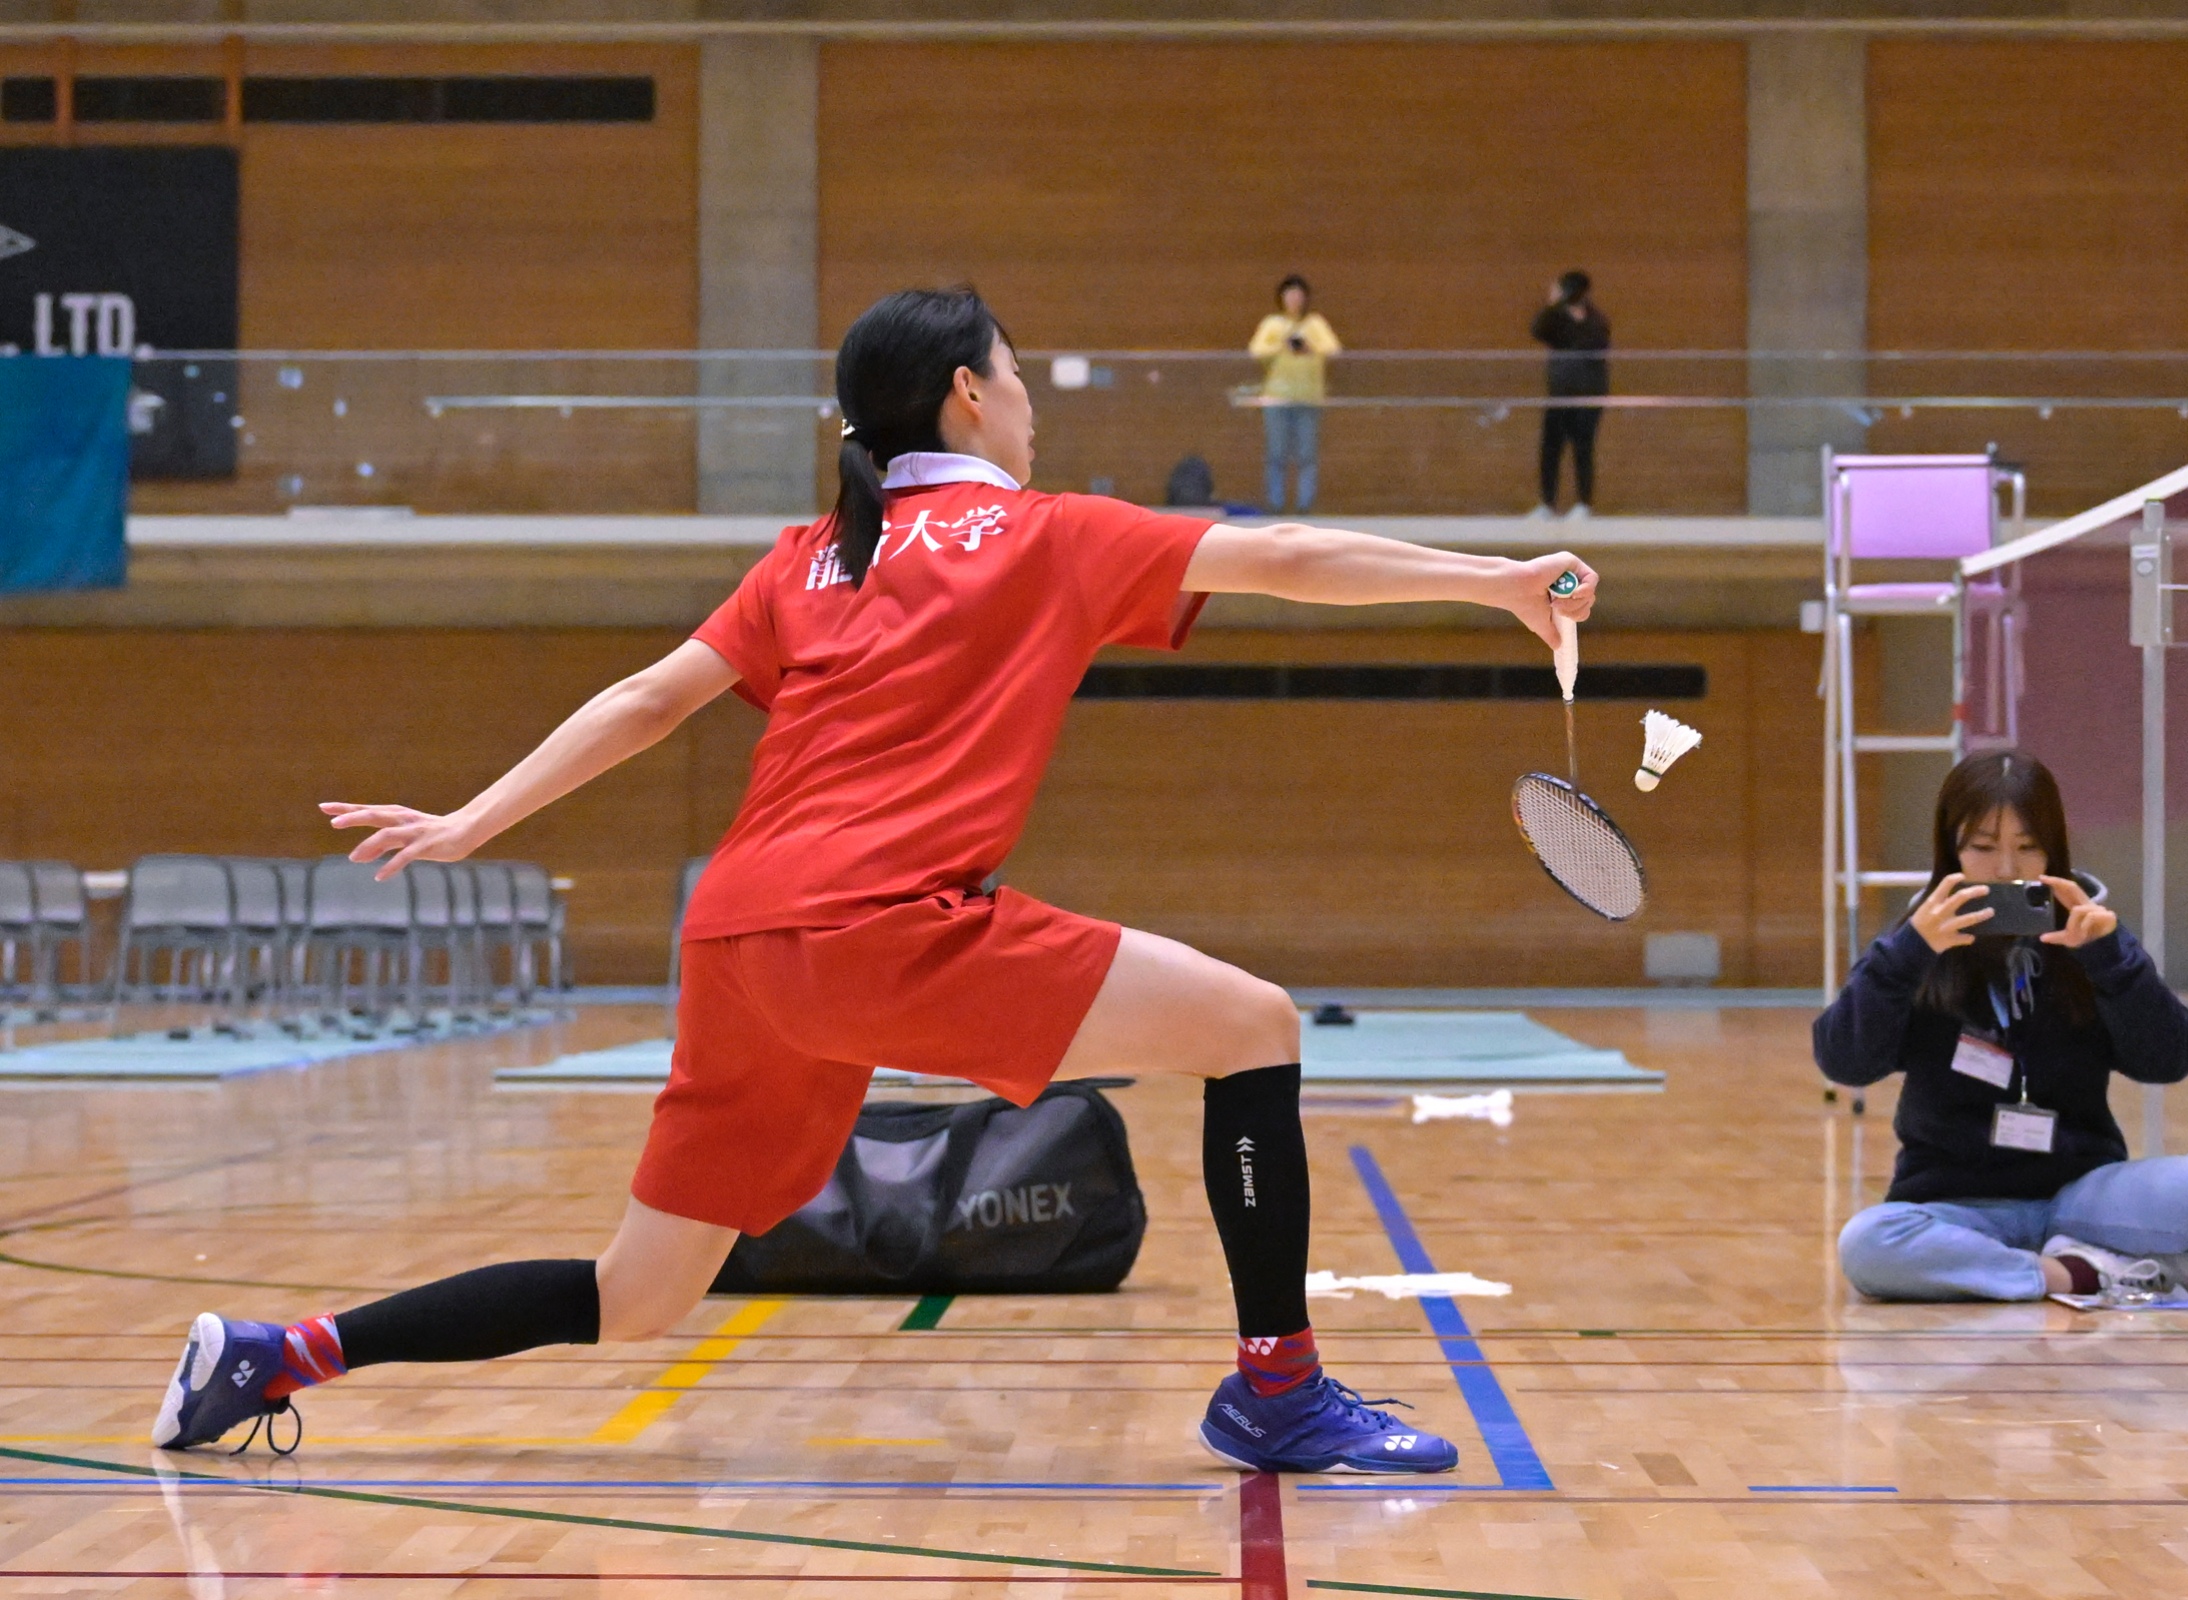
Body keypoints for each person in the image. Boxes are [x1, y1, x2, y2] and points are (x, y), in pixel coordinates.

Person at [151, 286, 1599, 1474]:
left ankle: (278, 1354)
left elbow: (650, 701)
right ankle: (1276, 1392)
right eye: (1017, 378)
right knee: (1254, 1026)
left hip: (734, 940)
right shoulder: (1045, 530)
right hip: (879, 924)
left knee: (637, 1293)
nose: (1031, 407)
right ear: (967, 393)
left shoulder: (809, 558)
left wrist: (477, 818)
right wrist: (1494, 581)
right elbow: (1283, 554)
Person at [1817, 749, 2188, 1303]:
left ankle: (2147, 1256)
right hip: (1954, 1204)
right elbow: (1845, 1062)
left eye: (2027, 847)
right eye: (1983, 847)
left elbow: (2169, 1060)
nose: (2006, 869)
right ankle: (2090, 1273)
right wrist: (1907, 954)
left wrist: (2113, 959)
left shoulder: (2090, 938)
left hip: (2084, 1200)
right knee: (1867, 1244)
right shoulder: (1913, 948)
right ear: (1950, 850)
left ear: (2054, 850)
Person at [1247, 274, 1339, 514]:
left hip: (1309, 398)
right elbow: (1256, 350)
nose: (1294, 299)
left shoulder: (1315, 324)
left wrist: (1310, 346)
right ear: (1282, 298)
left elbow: (1332, 349)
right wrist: (1282, 344)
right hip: (1277, 399)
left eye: (1299, 295)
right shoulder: (1272, 323)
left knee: (1307, 455)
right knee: (1276, 454)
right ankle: (1275, 505)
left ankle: (1305, 506)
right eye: (1290, 295)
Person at [1529, 271, 1609, 518]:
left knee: (1583, 447)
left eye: (1558, 289)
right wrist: (1553, 306)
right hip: (1560, 394)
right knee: (1550, 448)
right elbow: (1537, 330)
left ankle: (1584, 504)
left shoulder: (1596, 320)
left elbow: (1592, 343)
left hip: (1588, 395)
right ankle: (1547, 504)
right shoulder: (1556, 318)